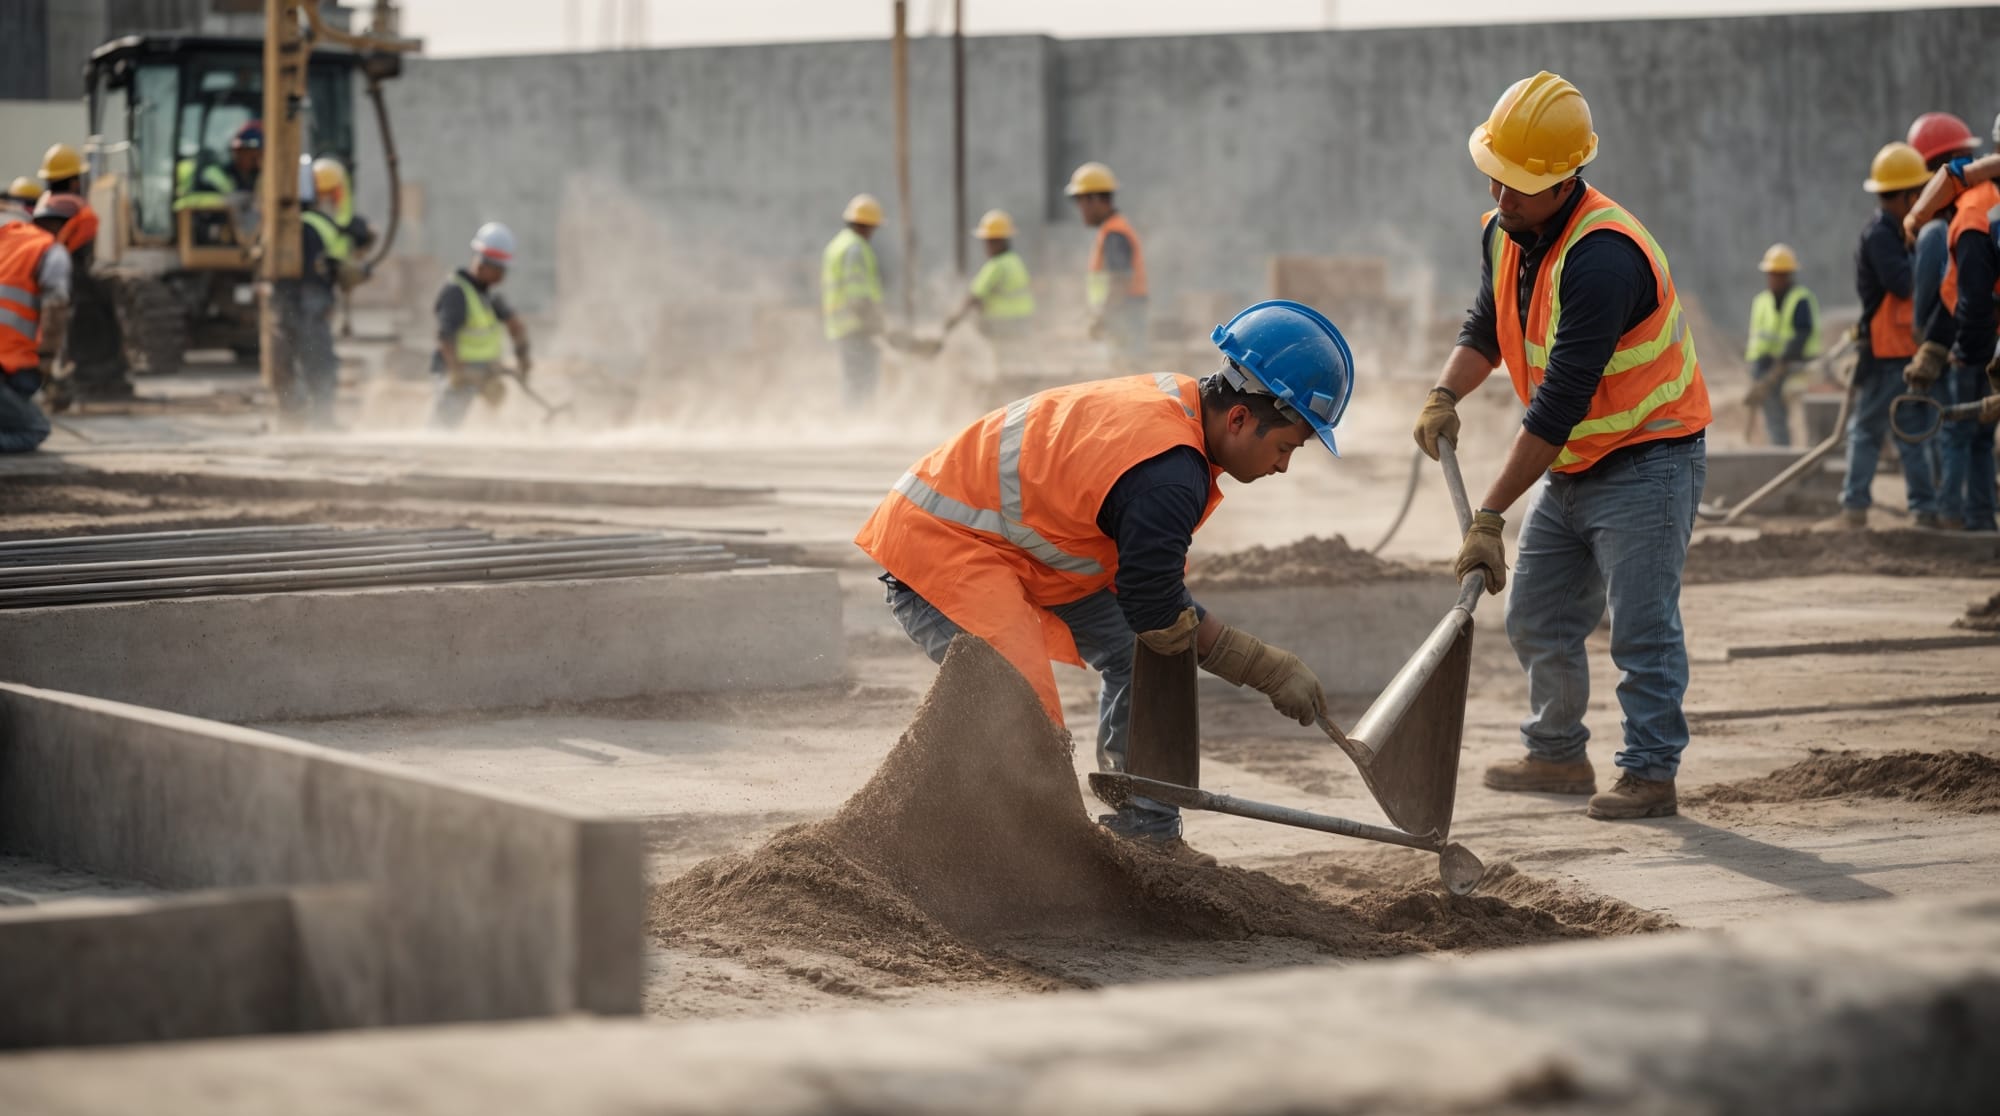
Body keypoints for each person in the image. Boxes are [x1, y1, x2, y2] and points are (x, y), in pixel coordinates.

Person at [856, 300, 1353, 864]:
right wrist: (1265, 668)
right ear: (1239, 419)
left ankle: (1147, 834)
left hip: (1023, 549)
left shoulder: (1183, 411)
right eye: (1285, 446)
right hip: (943, 543)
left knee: (1141, 653)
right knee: (1023, 712)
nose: (1283, 465)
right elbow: (1156, 606)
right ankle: (1017, 863)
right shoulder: (1168, 470)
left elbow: (1152, 596)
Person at [1414, 71, 1710, 820]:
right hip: (1578, 463)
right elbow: (1487, 326)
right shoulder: (1507, 230)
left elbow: (1556, 408)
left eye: (1515, 186)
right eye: (1494, 181)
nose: (1499, 199)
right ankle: (1557, 755)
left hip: (1649, 458)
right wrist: (1446, 393)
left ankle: (1650, 772)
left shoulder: (1604, 258)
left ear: (1565, 177)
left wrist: (1488, 517)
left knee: (1642, 628)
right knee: (1537, 613)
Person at [1841, 142, 1939, 527]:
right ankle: (1855, 506)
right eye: (1917, 194)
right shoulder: (1881, 236)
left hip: (1902, 349)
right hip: (1885, 353)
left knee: (1911, 429)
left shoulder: (1895, 232)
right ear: (1903, 196)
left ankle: (1924, 510)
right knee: (1868, 429)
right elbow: (1902, 284)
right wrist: (1923, 250)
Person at [1930, 118, 2000, 532]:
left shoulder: (1976, 211)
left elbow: (1968, 296)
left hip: (1981, 344)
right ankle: (1970, 517)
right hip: (1982, 343)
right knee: (1974, 433)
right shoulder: (1980, 214)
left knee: (1970, 434)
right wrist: (1954, 350)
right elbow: (1966, 294)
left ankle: (1967, 515)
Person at [35, 144, 129, 404]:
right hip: (72, 274)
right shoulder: (79, 208)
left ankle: (55, 380)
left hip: (39, 273)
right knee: (101, 311)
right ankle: (97, 374)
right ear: (75, 181)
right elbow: (81, 250)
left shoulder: (43, 206)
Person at [429, 222, 532, 430]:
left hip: (483, 373)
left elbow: (516, 327)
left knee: (496, 415)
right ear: (483, 265)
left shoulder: (490, 297)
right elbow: (445, 336)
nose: (503, 275)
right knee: (443, 429)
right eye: (500, 269)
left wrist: (523, 359)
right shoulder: (456, 293)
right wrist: (456, 372)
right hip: (457, 373)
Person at [0, 195, 74, 452]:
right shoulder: (49, 250)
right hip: (9, 367)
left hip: (8, 362)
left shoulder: (6, 241)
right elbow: (55, 312)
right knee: (35, 428)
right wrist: (49, 363)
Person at [1066, 162, 1147, 373]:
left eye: (1080, 201)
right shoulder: (1113, 230)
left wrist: (1102, 316)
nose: (1079, 208)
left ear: (1094, 199)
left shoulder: (1115, 233)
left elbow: (1119, 281)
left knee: (1126, 373)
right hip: (1123, 313)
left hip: (1123, 314)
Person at [1741, 244, 1820, 445]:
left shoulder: (1800, 299)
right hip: (1768, 366)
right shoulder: (1761, 302)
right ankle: (1781, 452)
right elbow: (1757, 345)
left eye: (1779, 274)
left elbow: (1801, 335)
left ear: (1788, 275)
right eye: (1772, 274)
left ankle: (1795, 450)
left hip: (1797, 363)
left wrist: (1781, 363)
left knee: (1793, 403)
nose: (1775, 278)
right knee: (1772, 409)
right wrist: (1758, 374)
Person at [944, 209, 1035, 371]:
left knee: (974, 328)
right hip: (1023, 321)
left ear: (997, 241)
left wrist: (953, 320)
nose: (985, 246)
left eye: (987, 241)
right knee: (1014, 359)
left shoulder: (996, 265)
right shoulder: (1015, 261)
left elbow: (974, 296)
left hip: (1004, 322)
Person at [821, 194, 885, 408]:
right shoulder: (855, 249)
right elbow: (857, 295)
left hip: (840, 325)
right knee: (863, 380)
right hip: (857, 326)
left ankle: (852, 422)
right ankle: (860, 422)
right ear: (866, 225)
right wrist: (874, 323)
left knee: (852, 379)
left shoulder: (836, 245)